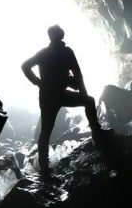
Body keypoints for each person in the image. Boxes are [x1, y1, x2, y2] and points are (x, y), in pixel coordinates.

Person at [21, 24, 105, 176]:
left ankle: (44, 168)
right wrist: (83, 92)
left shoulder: (44, 53)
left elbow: (25, 66)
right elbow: (78, 74)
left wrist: (39, 82)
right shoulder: (66, 52)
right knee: (89, 102)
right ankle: (97, 133)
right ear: (60, 36)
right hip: (58, 94)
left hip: (48, 95)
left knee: (45, 131)